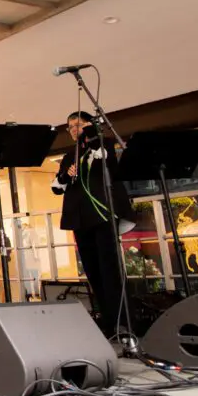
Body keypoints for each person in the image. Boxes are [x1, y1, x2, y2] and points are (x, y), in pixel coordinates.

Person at [51, 111, 134, 338]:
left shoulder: (103, 144)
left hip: (102, 215)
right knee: (93, 271)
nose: (74, 129)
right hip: (81, 218)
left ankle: (122, 322)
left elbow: (105, 158)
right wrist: (65, 175)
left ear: (89, 125)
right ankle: (107, 321)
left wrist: (92, 135)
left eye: (78, 124)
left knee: (110, 270)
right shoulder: (70, 155)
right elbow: (57, 186)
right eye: (70, 126)